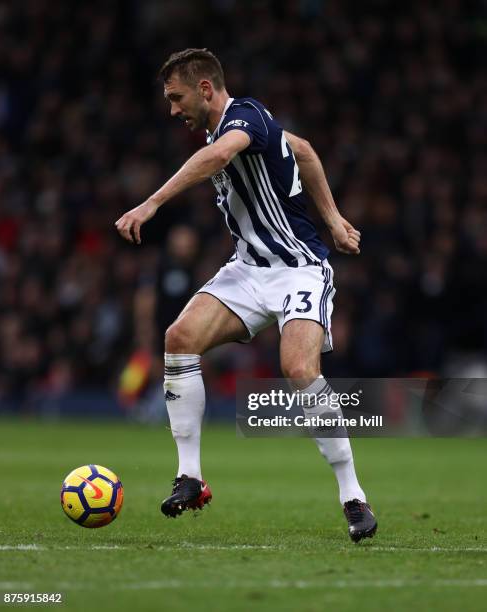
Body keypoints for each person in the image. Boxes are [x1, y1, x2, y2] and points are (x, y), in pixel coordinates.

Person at [115, 48, 377, 542]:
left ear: (206, 89)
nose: (172, 110)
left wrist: (150, 204)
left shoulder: (246, 116)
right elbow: (304, 151)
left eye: (176, 97)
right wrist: (336, 216)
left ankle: (353, 495)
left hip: (299, 269)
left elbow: (219, 156)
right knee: (178, 338)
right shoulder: (243, 128)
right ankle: (190, 478)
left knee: (300, 370)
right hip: (248, 271)